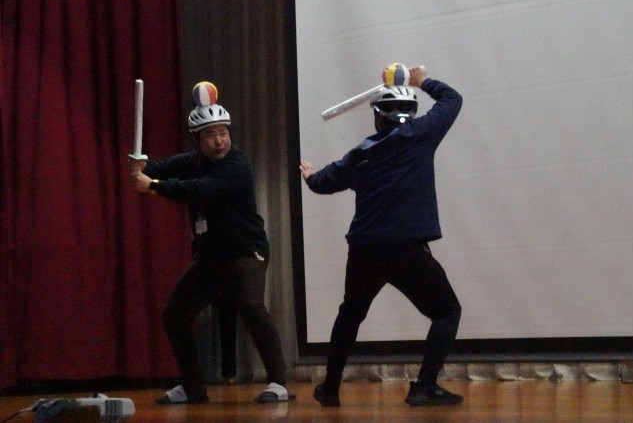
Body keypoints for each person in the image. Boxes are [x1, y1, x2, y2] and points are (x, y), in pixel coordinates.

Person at [299, 65, 463, 407]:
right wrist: (422, 81)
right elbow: (452, 99)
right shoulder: (421, 134)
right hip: (406, 250)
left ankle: (329, 389)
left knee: (350, 314)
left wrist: (310, 176)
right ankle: (424, 387)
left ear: (377, 116)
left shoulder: (361, 154)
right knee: (447, 311)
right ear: (411, 112)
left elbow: (322, 183)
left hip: (365, 251)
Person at [128, 88, 291, 404]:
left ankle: (278, 383)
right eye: (210, 135)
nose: (219, 141)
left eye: (223, 133)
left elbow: (199, 190)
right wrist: (141, 166)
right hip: (211, 256)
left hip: (247, 252)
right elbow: (158, 168)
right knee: (175, 315)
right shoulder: (193, 161)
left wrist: (153, 186)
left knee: (250, 305)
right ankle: (193, 387)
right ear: (196, 140)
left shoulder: (237, 166)